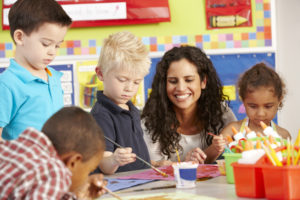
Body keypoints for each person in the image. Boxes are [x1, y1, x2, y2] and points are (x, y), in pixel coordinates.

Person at [142, 46, 237, 167]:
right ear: (164, 85)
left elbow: (237, 154)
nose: (181, 88)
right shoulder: (150, 125)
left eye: (189, 80)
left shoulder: (222, 115)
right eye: (173, 81)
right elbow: (155, 171)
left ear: (203, 82)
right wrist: (184, 164)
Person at [0, 0, 72, 140]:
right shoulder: (7, 84)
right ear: (20, 37)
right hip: (22, 161)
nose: (52, 52)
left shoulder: (53, 77)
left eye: (57, 46)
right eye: (46, 44)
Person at [0, 106, 107, 199]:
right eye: (88, 171)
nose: (86, 178)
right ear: (73, 162)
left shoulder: (21, 146)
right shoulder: (54, 172)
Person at [91, 31, 151, 174]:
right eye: (122, 80)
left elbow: (137, 156)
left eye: (136, 82)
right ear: (100, 74)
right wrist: (114, 160)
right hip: (120, 188)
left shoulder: (131, 108)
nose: (129, 88)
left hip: (142, 182)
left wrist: (154, 163)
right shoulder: (101, 115)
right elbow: (104, 164)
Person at [221, 63, 291, 139]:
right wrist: (216, 147)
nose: (260, 114)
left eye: (268, 106)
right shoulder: (232, 131)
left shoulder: (283, 135)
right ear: (243, 101)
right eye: (253, 106)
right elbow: (213, 150)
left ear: (279, 100)